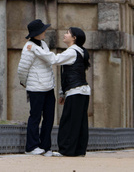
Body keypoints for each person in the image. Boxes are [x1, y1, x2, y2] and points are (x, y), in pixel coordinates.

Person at [28, 26, 91, 157]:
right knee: (80, 122)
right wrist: (63, 93)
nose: (64, 35)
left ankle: (66, 150)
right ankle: (79, 150)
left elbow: (54, 59)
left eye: (67, 33)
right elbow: (68, 74)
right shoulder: (80, 51)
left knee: (68, 122)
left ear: (74, 38)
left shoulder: (72, 51)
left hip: (76, 91)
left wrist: (35, 49)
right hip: (82, 92)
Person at [16, 18, 55, 156]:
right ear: (37, 32)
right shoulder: (28, 48)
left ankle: (46, 146)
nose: (45, 31)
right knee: (35, 117)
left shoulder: (43, 44)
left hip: (49, 87)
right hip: (36, 88)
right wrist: (25, 83)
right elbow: (22, 69)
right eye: (43, 30)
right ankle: (31, 147)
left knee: (49, 117)